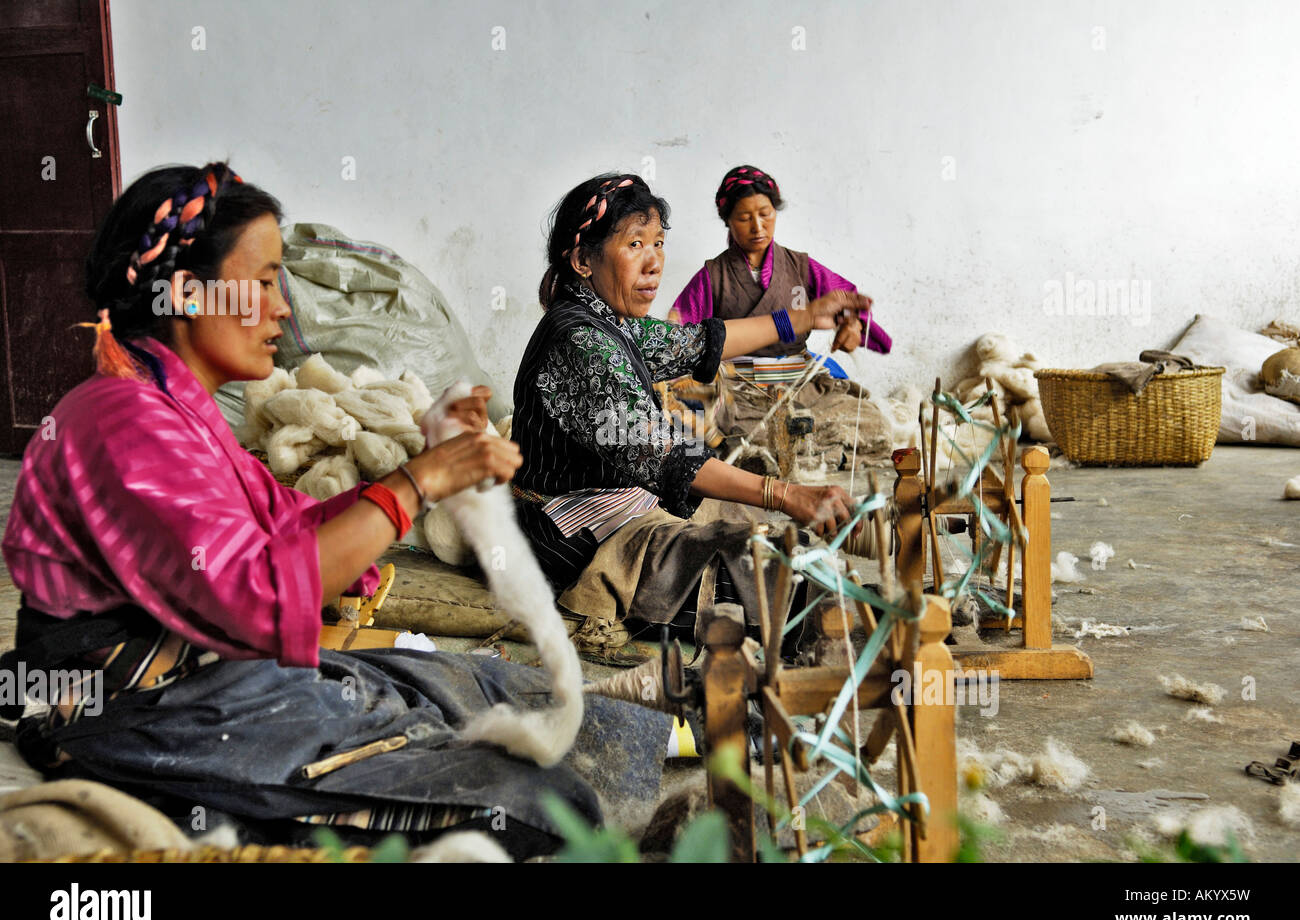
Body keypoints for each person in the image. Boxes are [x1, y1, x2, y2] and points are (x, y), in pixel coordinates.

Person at [0, 163, 667, 859]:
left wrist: (399, 494)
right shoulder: (124, 421)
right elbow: (258, 593)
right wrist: (415, 482)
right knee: (527, 802)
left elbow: (289, 521)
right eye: (263, 283)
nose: (282, 307)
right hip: (138, 721)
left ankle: (660, 758)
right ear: (189, 294)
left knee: (480, 681)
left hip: (217, 682)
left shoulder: (174, 406)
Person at [512, 173, 869, 653]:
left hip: (615, 499)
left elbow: (698, 342)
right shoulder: (581, 340)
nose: (654, 262)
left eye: (658, 243)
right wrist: (784, 494)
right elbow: (668, 457)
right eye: (634, 244)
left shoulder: (607, 322)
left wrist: (804, 318)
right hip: (571, 525)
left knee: (759, 542)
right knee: (765, 594)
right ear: (581, 260)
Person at [669, 164, 893, 471]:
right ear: (728, 221)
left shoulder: (800, 267)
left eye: (765, 213)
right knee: (722, 429)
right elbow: (675, 337)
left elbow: (849, 302)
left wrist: (853, 326)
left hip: (802, 386)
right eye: (744, 218)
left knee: (870, 422)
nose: (757, 227)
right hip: (740, 391)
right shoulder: (713, 276)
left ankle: (796, 452)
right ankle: (803, 455)